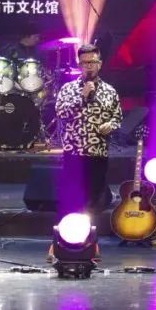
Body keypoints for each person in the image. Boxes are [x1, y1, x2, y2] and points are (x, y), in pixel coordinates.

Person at [54, 44, 123, 215]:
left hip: (98, 152)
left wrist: (111, 125)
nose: (89, 66)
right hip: (74, 153)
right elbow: (61, 113)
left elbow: (117, 117)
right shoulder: (68, 89)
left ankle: (92, 229)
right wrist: (82, 96)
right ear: (79, 65)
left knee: (95, 201)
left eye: (92, 62)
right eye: (85, 63)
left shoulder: (110, 91)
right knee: (73, 201)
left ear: (100, 64)